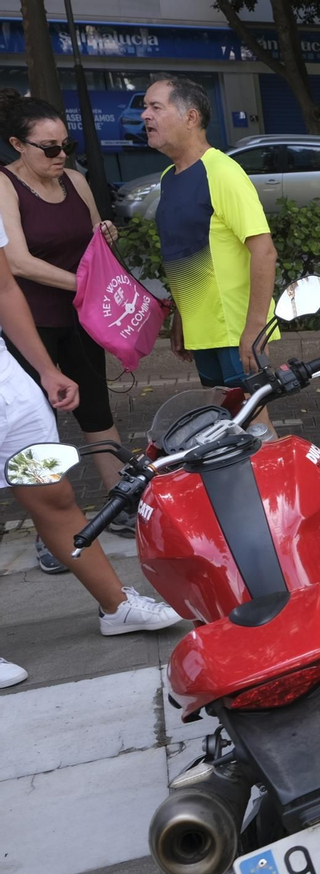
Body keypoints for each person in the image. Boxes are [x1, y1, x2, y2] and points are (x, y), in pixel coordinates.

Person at [1, 217, 184, 687]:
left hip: (7, 387)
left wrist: (44, 369)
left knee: (52, 493)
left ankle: (117, 607)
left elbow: (4, 289)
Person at [0, 90, 137, 574]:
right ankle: (48, 532)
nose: (61, 156)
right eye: (49, 148)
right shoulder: (4, 186)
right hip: (30, 322)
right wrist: (86, 284)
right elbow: (16, 261)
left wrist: (105, 237)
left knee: (97, 408)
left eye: (67, 145)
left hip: (81, 317)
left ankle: (122, 506)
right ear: (18, 144)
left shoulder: (75, 180)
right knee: (38, 424)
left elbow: (94, 234)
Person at [142, 74, 278, 399]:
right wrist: (181, 317)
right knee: (225, 425)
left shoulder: (222, 172)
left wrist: (255, 328)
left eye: (156, 107)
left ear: (191, 117)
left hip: (236, 329)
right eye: (145, 107)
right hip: (202, 331)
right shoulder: (168, 178)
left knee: (253, 425)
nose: (145, 115)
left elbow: (264, 252)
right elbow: (184, 250)